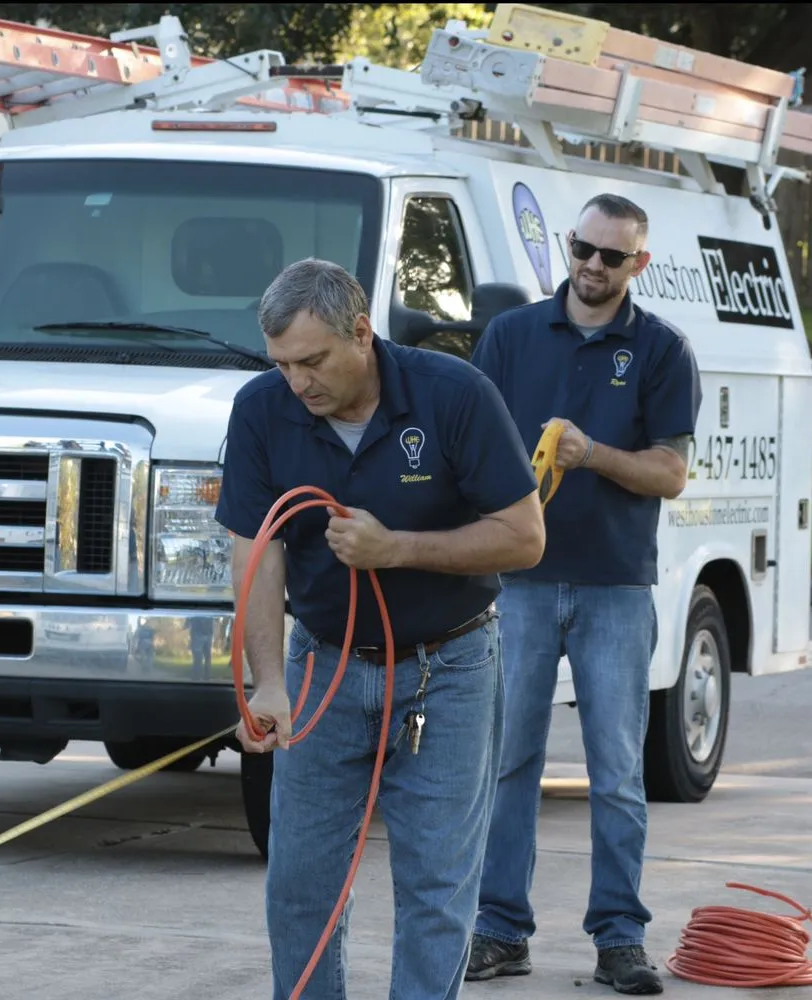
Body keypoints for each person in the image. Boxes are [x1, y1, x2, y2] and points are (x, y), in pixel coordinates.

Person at [213, 257, 547, 999]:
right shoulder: (263, 409)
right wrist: (267, 682)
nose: (298, 384)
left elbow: (525, 537)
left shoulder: (454, 394)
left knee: (435, 890)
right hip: (322, 667)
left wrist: (397, 548)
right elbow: (256, 551)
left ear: (361, 333)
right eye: (282, 364)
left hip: (450, 669)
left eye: (312, 361)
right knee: (300, 885)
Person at [466, 193, 703, 995]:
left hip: (614, 588)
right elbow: (473, 450)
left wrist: (592, 451)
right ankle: (499, 930)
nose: (592, 267)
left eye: (611, 256)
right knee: (508, 764)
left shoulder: (664, 349)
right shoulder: (511, 336)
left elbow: (670, 473)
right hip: (521, 585)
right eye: (582, 249)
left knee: (616, 772)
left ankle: (619, 938)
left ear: (639, 264)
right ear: (568, 247)